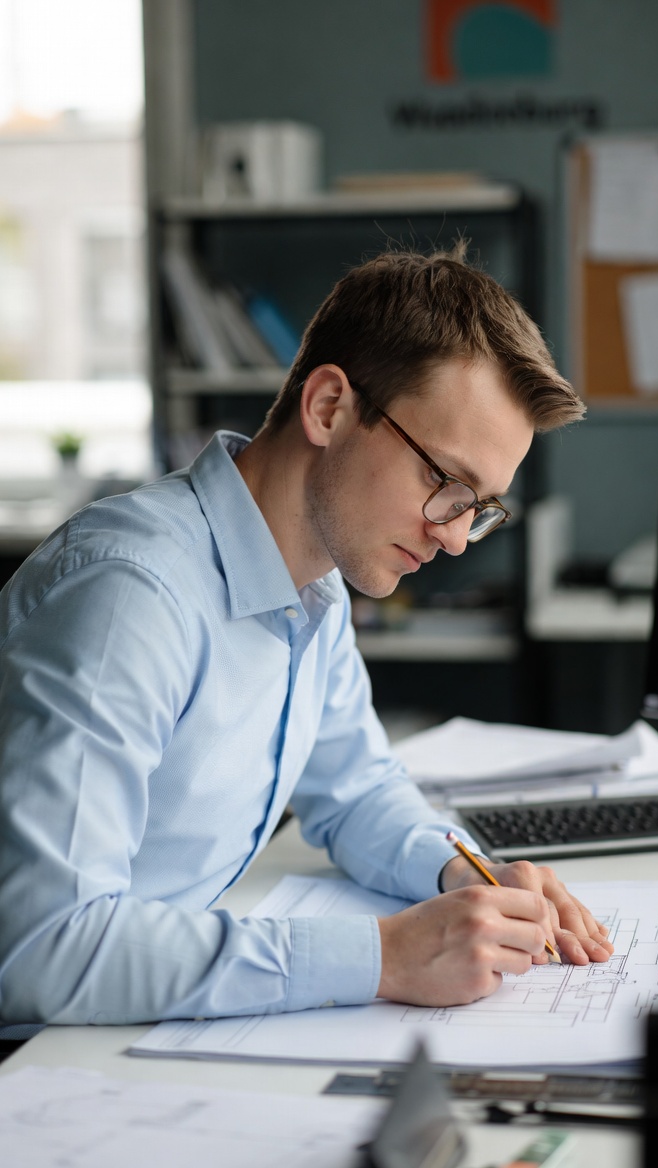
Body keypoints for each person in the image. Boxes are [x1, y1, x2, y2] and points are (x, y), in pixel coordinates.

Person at [0, 245, 613, 1028]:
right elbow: (42, 947)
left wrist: (467, 875)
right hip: (38, 1062)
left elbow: (356, 793)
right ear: (329, 408)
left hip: (137, 1026)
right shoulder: (131, 595)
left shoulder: (314, 583)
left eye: (480, 506)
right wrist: (385, 957)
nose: (458, 538)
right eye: (444, 482)